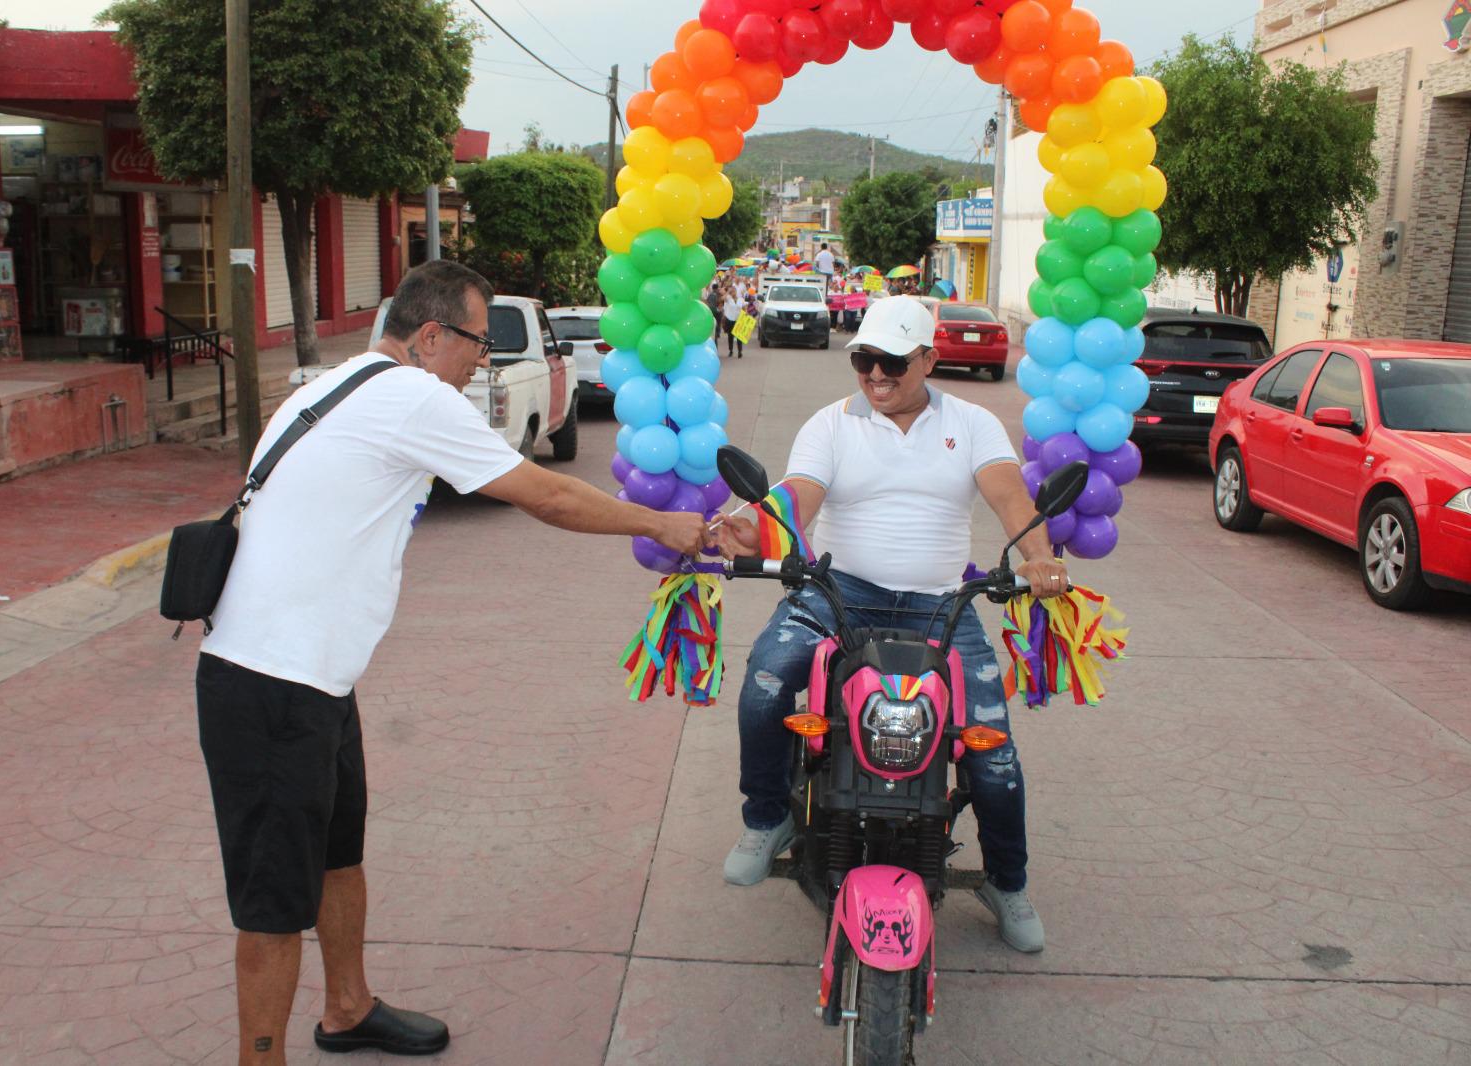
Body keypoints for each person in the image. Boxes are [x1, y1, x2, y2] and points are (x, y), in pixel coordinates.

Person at [195, 259, 711, 1065]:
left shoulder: (336, 385)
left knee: (338, 854)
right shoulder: (411, 394)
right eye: (478, 341)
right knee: (270, 906)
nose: (482, 361)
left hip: (315, 679)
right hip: (269, 685)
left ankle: (347, 1008)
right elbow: (547, 495)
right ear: (430, 336)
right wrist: (665, 524)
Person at [711, 295, 1069, 956]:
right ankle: (766, 819)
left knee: (993, 756)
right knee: (764, 687)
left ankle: (1006, 881)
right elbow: (800, 492)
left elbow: (1010, 497)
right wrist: (756, 525)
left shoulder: (973, 423)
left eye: (893, 362)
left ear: (930, 358)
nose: (876, 374)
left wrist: (1041, 561)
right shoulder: (831, 424)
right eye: (863, 359)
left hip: (942, 604)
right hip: (840, 591)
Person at [721, 286, 744, 358]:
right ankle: (731, 350)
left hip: (738, 319)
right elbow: (722, 298)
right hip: (729, 319)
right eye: (732, 291)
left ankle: (740, 351)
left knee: (739, 337)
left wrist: (746, 313)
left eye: (734, 291)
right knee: (730, 336)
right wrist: (727, 292)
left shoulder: (740, 299)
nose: (733, 293)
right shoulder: (728, 298)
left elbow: (743, 307)